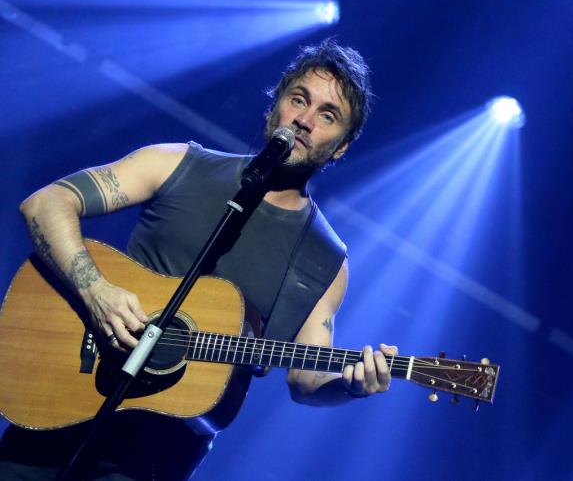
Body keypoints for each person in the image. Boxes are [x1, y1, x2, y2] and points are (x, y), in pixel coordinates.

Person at [3, 38, 394, 480]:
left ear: (342, 146)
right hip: (55, 410)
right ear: (275, 107)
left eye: (328, 115)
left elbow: (306, 380)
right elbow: (45, 204)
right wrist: (96, 292)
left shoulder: (326, 258)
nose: (305, 120)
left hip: (150, 463)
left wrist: (352, 385)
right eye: (298, 99)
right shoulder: (178, 163)